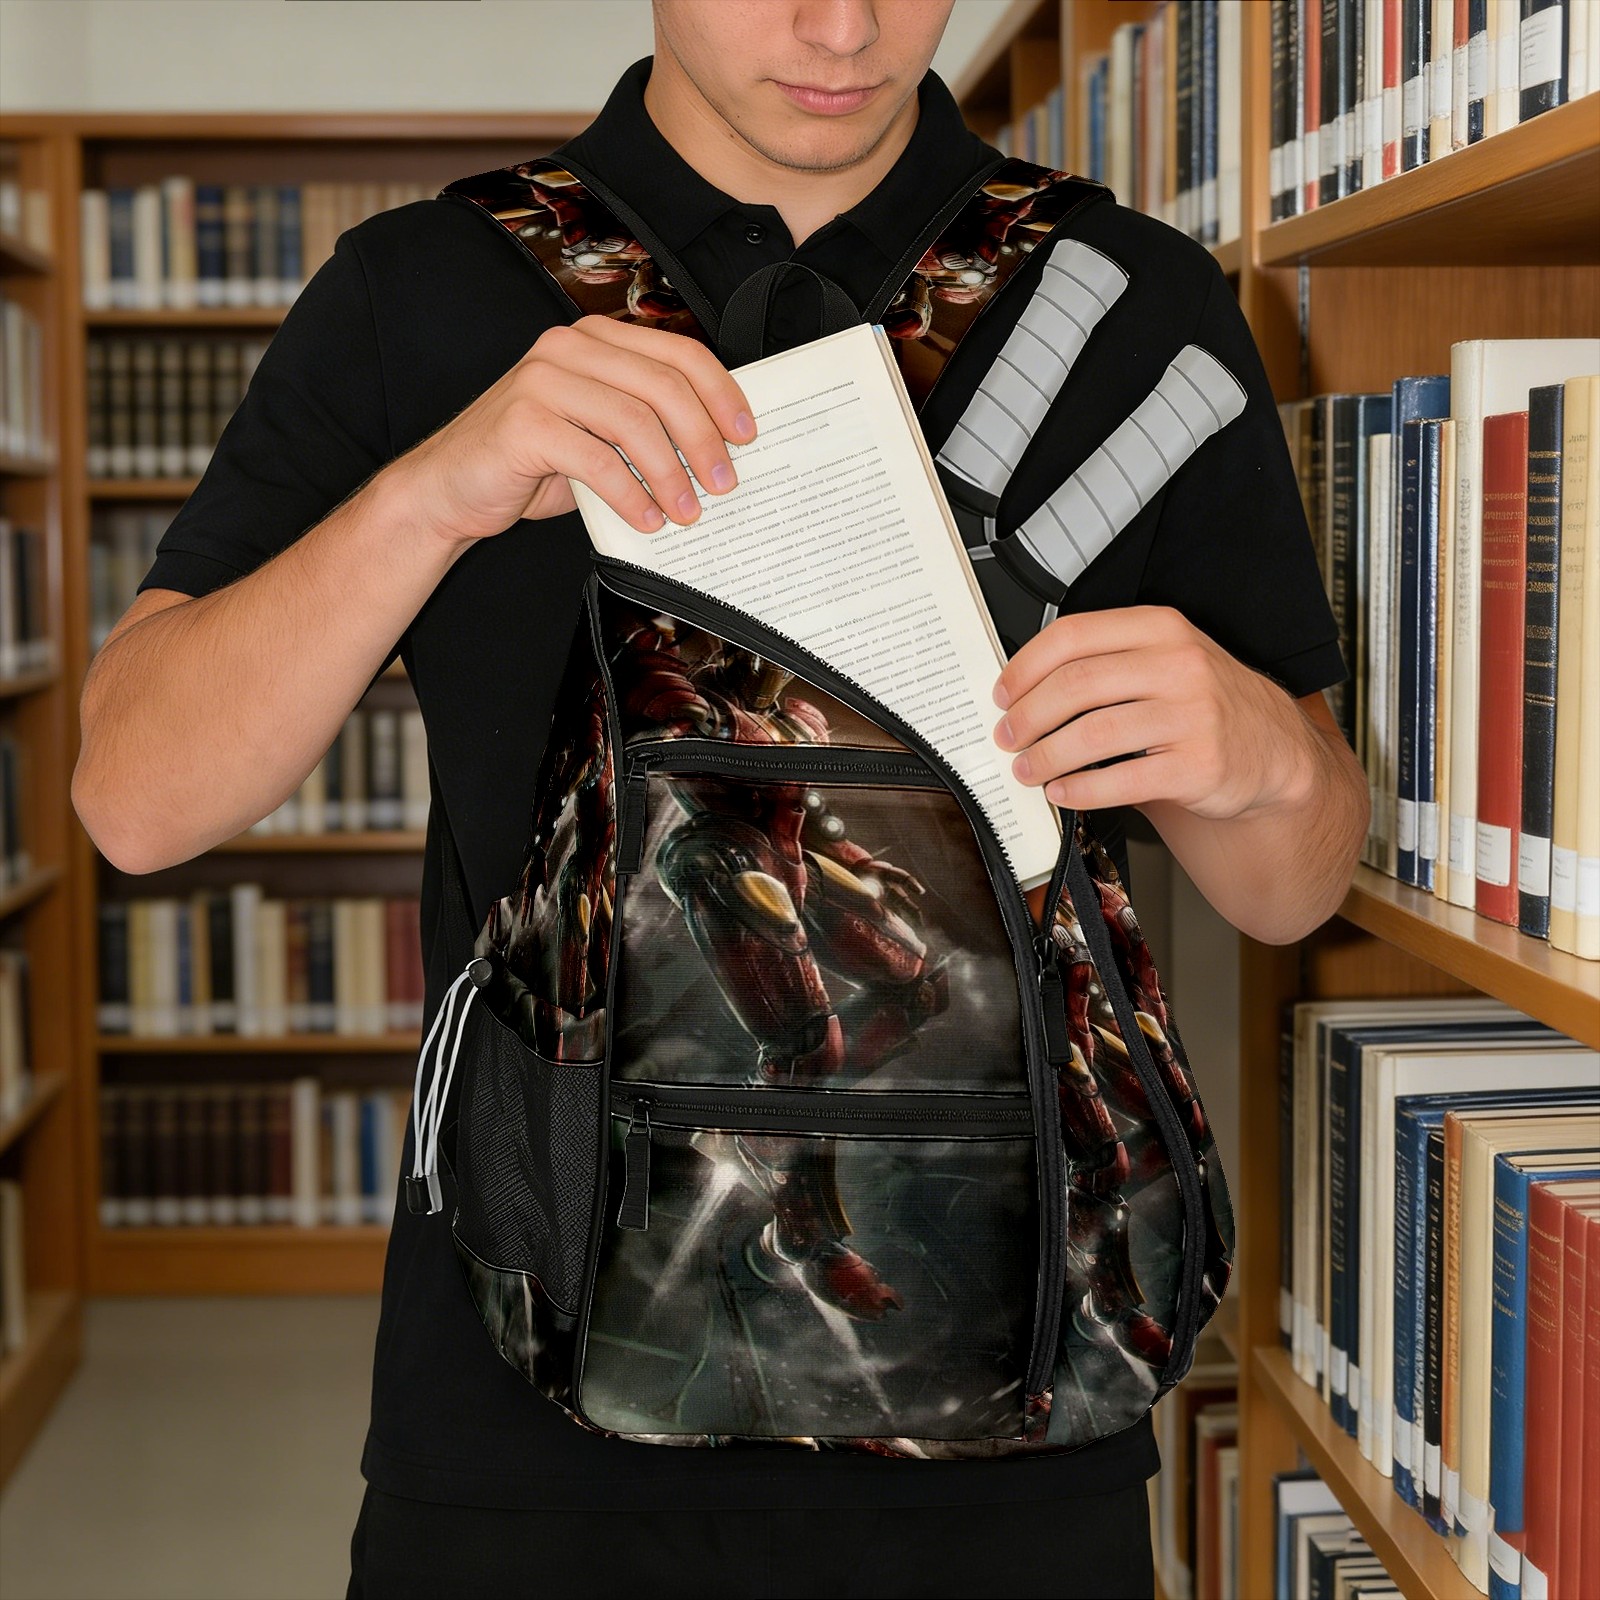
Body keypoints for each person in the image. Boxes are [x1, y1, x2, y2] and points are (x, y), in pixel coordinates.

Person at [70, 3, 1369, 1595]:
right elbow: (135, 799)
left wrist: (1265, 754)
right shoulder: (423, 290)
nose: (843, 25)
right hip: (524, 1428)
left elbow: (1292, 890)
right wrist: (428, 497)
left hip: (1024, 1404)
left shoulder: (1130, 303)